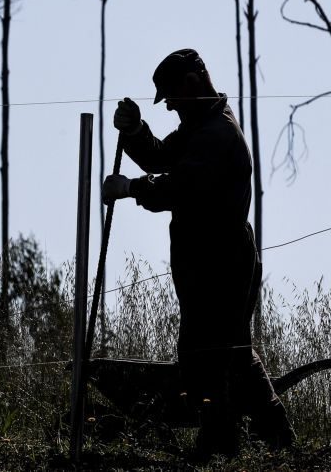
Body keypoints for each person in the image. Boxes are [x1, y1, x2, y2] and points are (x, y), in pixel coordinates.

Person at [102, 48, 294, 458]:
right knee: (233, 351)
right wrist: (136, 130)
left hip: (221, 262)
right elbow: (160, 155)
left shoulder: (216, 135)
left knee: (204, 353)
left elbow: (177, 187)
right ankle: (275, 435)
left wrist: (130, 188)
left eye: (171, 97)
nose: (169, 106)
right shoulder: (200, 125)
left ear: (192, 83)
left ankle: (219, 441)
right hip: (208, 260)